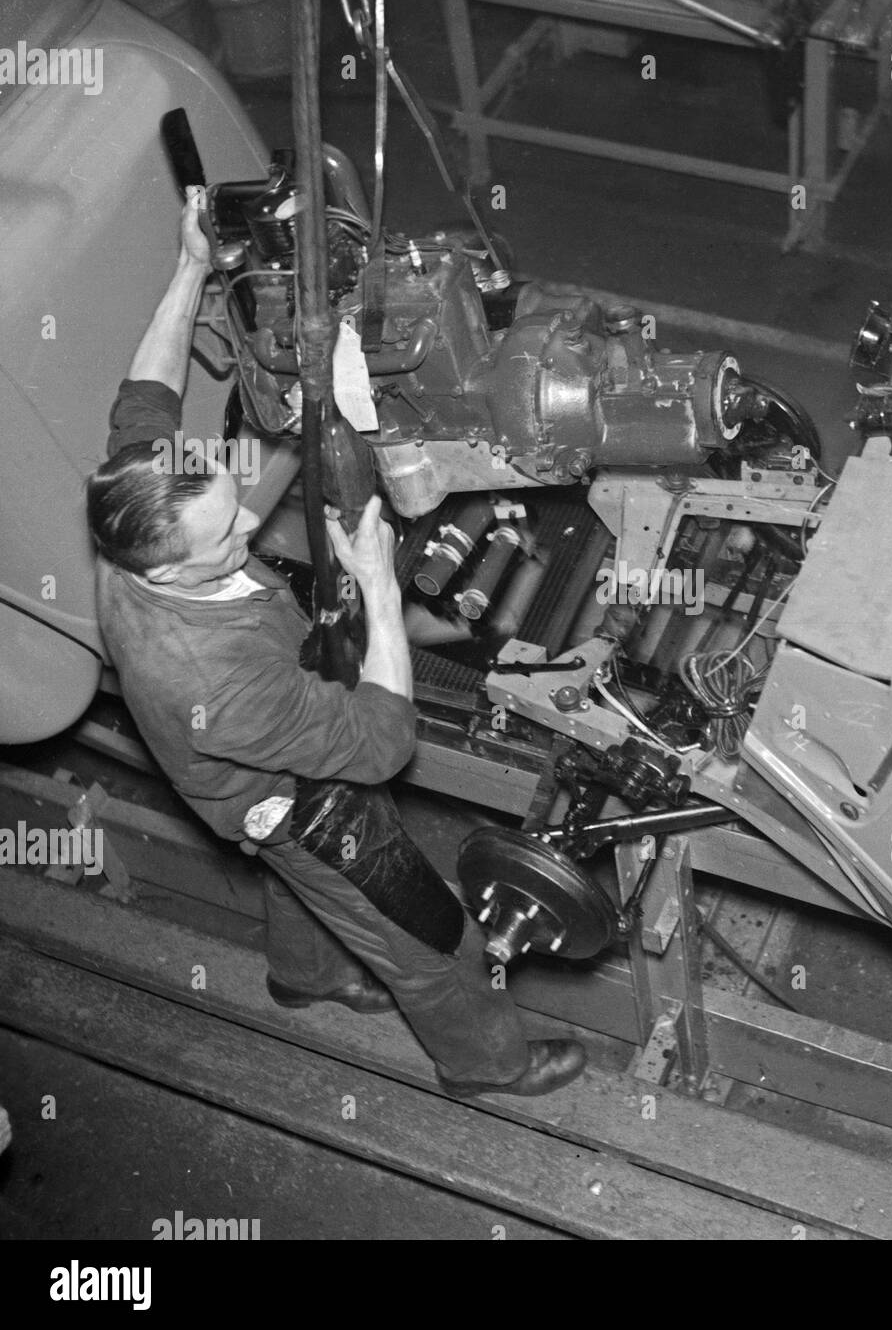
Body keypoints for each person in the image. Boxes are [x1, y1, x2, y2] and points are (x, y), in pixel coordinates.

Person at [85, 186, 585, 1097]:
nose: (249, 524)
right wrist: (380, 590)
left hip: (250, 789)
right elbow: (386, 742)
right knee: (430, 943)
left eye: (233, 506)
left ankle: (303, 977)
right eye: (226, 540)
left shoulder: (132, 511)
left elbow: (144, 396)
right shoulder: (217, 682)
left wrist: (192, 263)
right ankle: (485, 1063)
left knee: (289, 870)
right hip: (289, 797)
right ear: (161, 574)